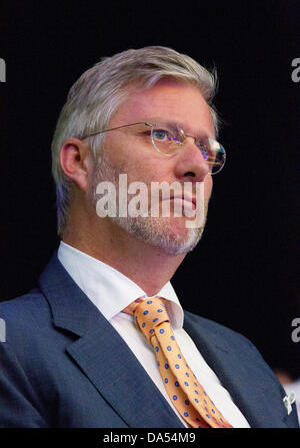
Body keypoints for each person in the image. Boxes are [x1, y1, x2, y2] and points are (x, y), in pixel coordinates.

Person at [0, 46, 298, 428]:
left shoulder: (243, 356)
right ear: (78, 160)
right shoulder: (14, 347)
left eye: (207, 150)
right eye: (161, 134)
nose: (197, 167)